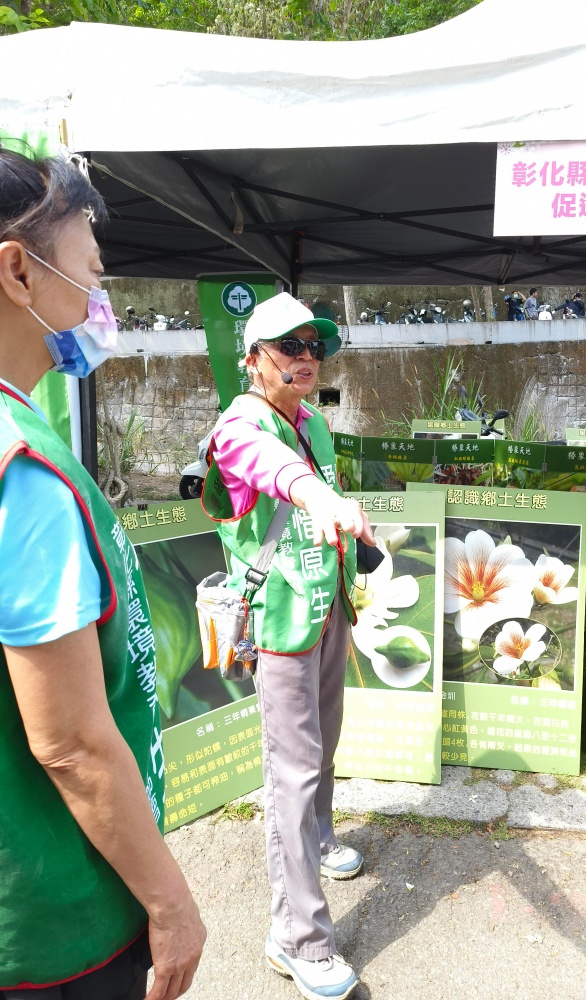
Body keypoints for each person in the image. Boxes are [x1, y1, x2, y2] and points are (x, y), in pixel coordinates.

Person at [0, 148, 205, 997]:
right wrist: (171, 905)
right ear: (18, 270)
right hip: (57, 922)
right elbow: (74, 744)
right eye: (88, 272)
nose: (100, 301)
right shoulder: (26, 473)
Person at [205, 292, 375, 1000]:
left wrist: (354, 536)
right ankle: (296, 936)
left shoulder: (314, 422)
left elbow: (318, 487)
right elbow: (282, 475)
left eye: (313, 345)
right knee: (292, 770)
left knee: (323, 746)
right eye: (289, 346)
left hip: (325, 606)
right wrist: (321, 497)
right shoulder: (239, 427)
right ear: (252, 361)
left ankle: (321, 840)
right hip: (278, 626)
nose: (306, 358)